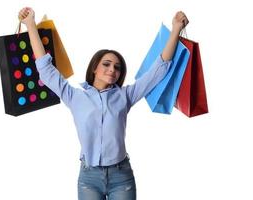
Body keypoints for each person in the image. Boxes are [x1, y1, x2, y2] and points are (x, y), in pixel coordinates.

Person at [18, 7, 188, 200]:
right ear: (94, 69)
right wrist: (31, 24)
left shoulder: (126, 95)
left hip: (121, 177)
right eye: (106, 64)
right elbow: (45, 69)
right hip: (89, 177)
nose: (112, 70)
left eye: (117, 67)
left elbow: (158, 70)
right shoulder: (74, 96)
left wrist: (175, 30)